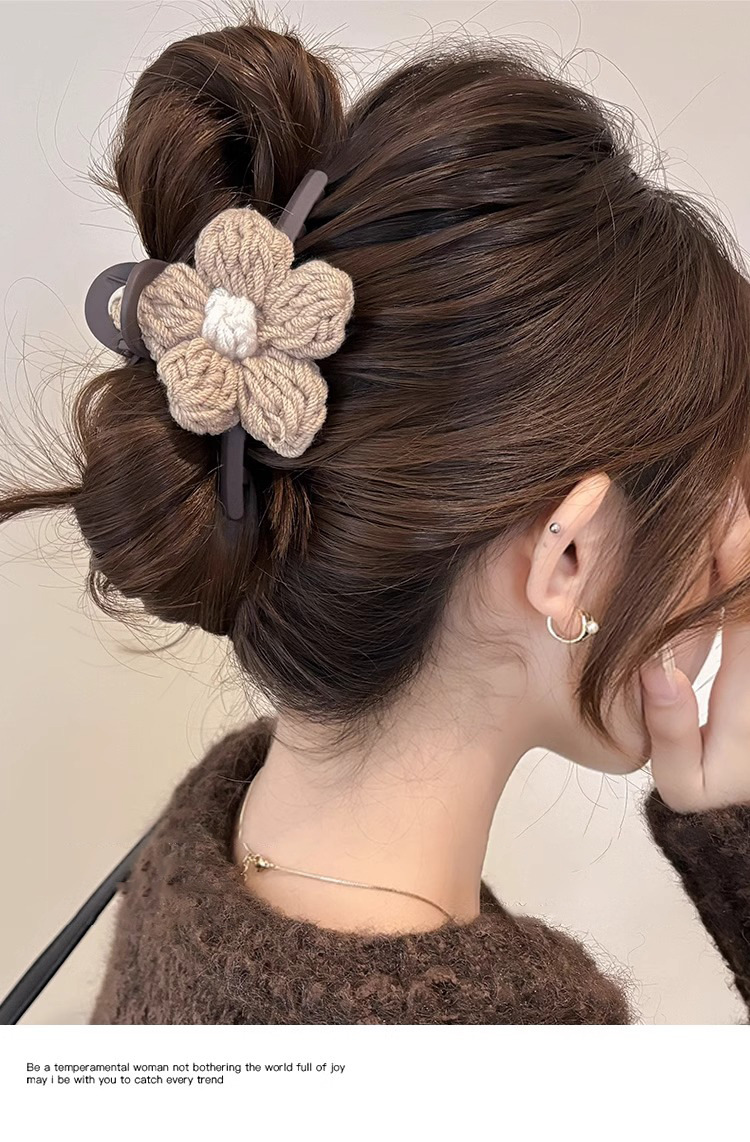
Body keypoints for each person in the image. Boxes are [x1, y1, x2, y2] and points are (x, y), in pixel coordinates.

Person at [3, 10, 750, 1025]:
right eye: (716, 527)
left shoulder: (210, 850)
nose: (725, 582)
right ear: (568, 556)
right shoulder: (518, 1061)